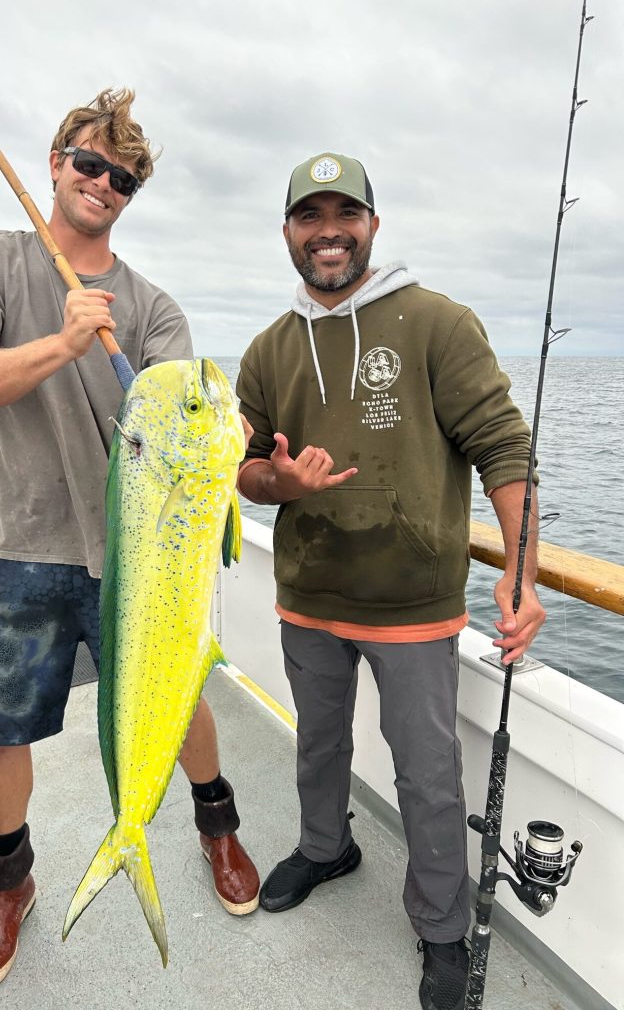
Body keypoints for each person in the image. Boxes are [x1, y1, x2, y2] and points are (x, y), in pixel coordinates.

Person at [0, 87, 259, 991]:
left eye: (122, 177)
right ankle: (10, 882)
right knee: (4, 728)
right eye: (90, 163)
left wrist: (229, 441)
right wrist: (62, 341)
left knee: (179, 688)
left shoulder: (153, 309)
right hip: (23, 545)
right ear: (55, 163)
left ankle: (216, 827)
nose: (104, 184)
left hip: (134, 559)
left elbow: (182, 439)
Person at [236, 152, 546, 1010]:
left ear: (374, 223)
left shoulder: (437, 322)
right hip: (308, 595)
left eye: (345, 213)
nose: (327, 231)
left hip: (414, 603)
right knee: (318, 744)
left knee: (428, 773)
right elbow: (246, 470)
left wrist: (520, 575)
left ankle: (442, 926)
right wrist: (282, 485)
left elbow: (503, 446)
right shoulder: (266, 350)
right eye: (308, 215)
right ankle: (325, 845)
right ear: (288, 230)